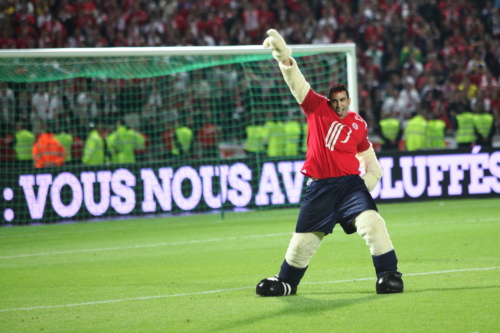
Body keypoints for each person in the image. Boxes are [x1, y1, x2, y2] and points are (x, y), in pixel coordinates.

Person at [256, 30, 403, 297]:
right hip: (320, 187)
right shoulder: (315, 106)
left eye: (343, 100)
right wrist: (283, 55)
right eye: (335, 101)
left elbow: (371, 162)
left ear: (348, 100)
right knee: (304, 240)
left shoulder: (358, 123)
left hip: (349, 186)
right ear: (330, 100)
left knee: (373, 224)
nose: (338, 105)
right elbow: (296, 82)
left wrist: (363, 184)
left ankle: (389, 274)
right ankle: (287, 282)